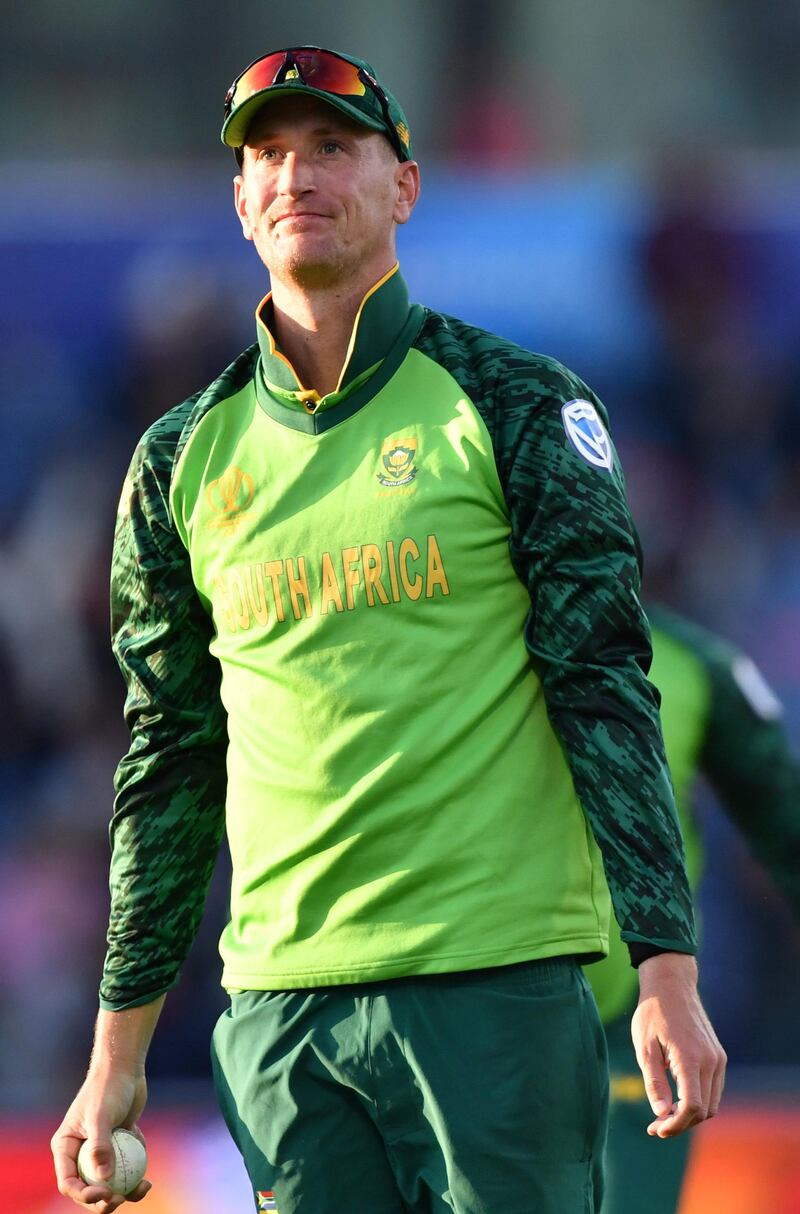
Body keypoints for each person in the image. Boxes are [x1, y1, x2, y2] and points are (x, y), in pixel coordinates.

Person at [51, 46, 725, 1214]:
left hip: (495, 993)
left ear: (402, 185)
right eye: (267, 154)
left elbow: (604, 688)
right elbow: (165, 765)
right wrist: (115, 1057)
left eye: (331, 149)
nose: (295, 176)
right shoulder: (177, 459)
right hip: (279, 1016)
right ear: (238, 199)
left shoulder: (515, 404)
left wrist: (664, 966)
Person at [591, 604, 800, 1214]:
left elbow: (785, 827)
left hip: (635, 1018)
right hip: (469, 1001)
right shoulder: (449, 639)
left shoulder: (694, 666)